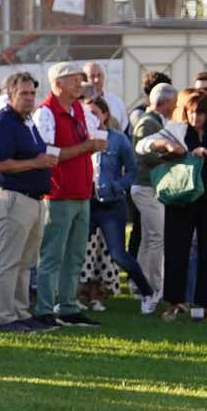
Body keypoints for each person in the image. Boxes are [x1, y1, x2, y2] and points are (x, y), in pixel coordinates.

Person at [137, 88, 207, 322]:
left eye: (200, 113)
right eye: (191, 112)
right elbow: (142, 145)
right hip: (182, 196)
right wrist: (165, 145)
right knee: (176, 248)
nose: (195, 117)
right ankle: (174, 303)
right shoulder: (176, 129)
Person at [33, 61, 107, 327]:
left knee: (75, 255)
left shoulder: (77, 109)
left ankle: (67, 306)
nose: (80, 83)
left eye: (79, 78)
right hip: (59, 193)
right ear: (58, 83)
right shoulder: (46, 113)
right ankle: (44, 308)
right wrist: (87, 146)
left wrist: (91, 146)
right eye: (74, 79)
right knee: (52, 255)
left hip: (81, 192)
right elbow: (48, 155)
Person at [0, 71, 56, 331]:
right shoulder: (3, 120)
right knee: (8, 262)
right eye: (23, 93)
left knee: (25, 263)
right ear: (10, 94)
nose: (29, 98)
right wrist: (36, 163)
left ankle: (20, 312)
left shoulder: (27, 121)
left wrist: (43, 162)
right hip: (12, 198)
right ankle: (5, 317)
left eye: (32, 93)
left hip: (32, 200)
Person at [81, 96, 157, 310]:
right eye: (86, 114)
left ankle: (147, 293)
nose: (90, 118)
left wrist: (118, 185)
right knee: (76, 251)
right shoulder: (80, 139)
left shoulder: (118, 139)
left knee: (118, 254)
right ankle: (69, 299)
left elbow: (133, 169)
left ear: (105, 115)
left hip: (112, 204)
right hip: (86, 202)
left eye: (94, 113)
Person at [129, 81, 179, 302]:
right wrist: (173, 157)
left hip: (151, 186)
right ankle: (155, 287)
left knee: (150, 238)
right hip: (146, 186)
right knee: (157, 237)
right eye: (173, 103)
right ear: (165, 102)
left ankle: (141, 283)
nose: (175, 107)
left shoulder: (155, 121)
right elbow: (143, 154)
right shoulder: (147, 123)